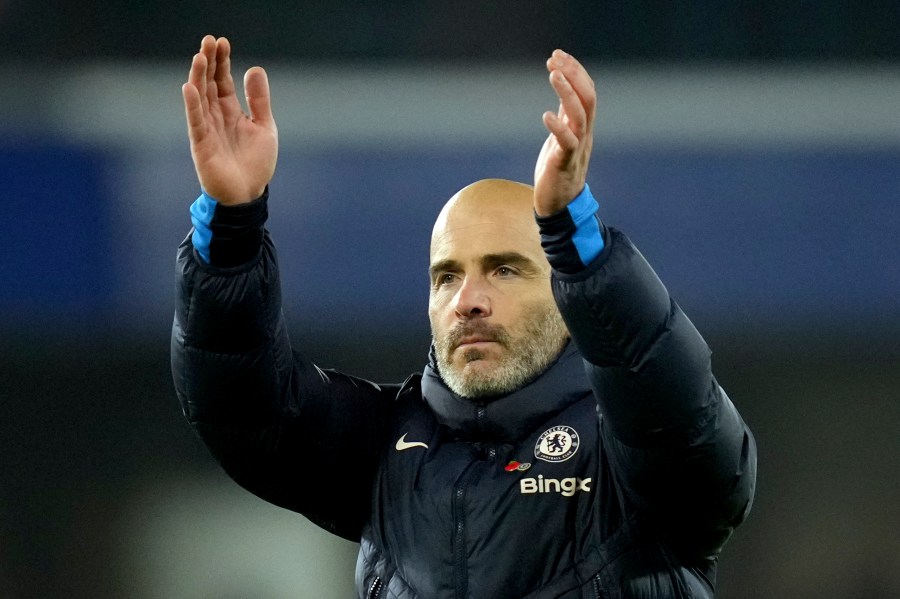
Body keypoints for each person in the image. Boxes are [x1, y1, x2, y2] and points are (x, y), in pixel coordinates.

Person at [172, 34, 756, 599]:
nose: (467, 299)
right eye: (447, 276)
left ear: (566, 292)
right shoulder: (381, 446)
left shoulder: (626, 449)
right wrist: (230, 227)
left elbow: (687, 427)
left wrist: (575, 238)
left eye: (504, 269)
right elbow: (242, 403)